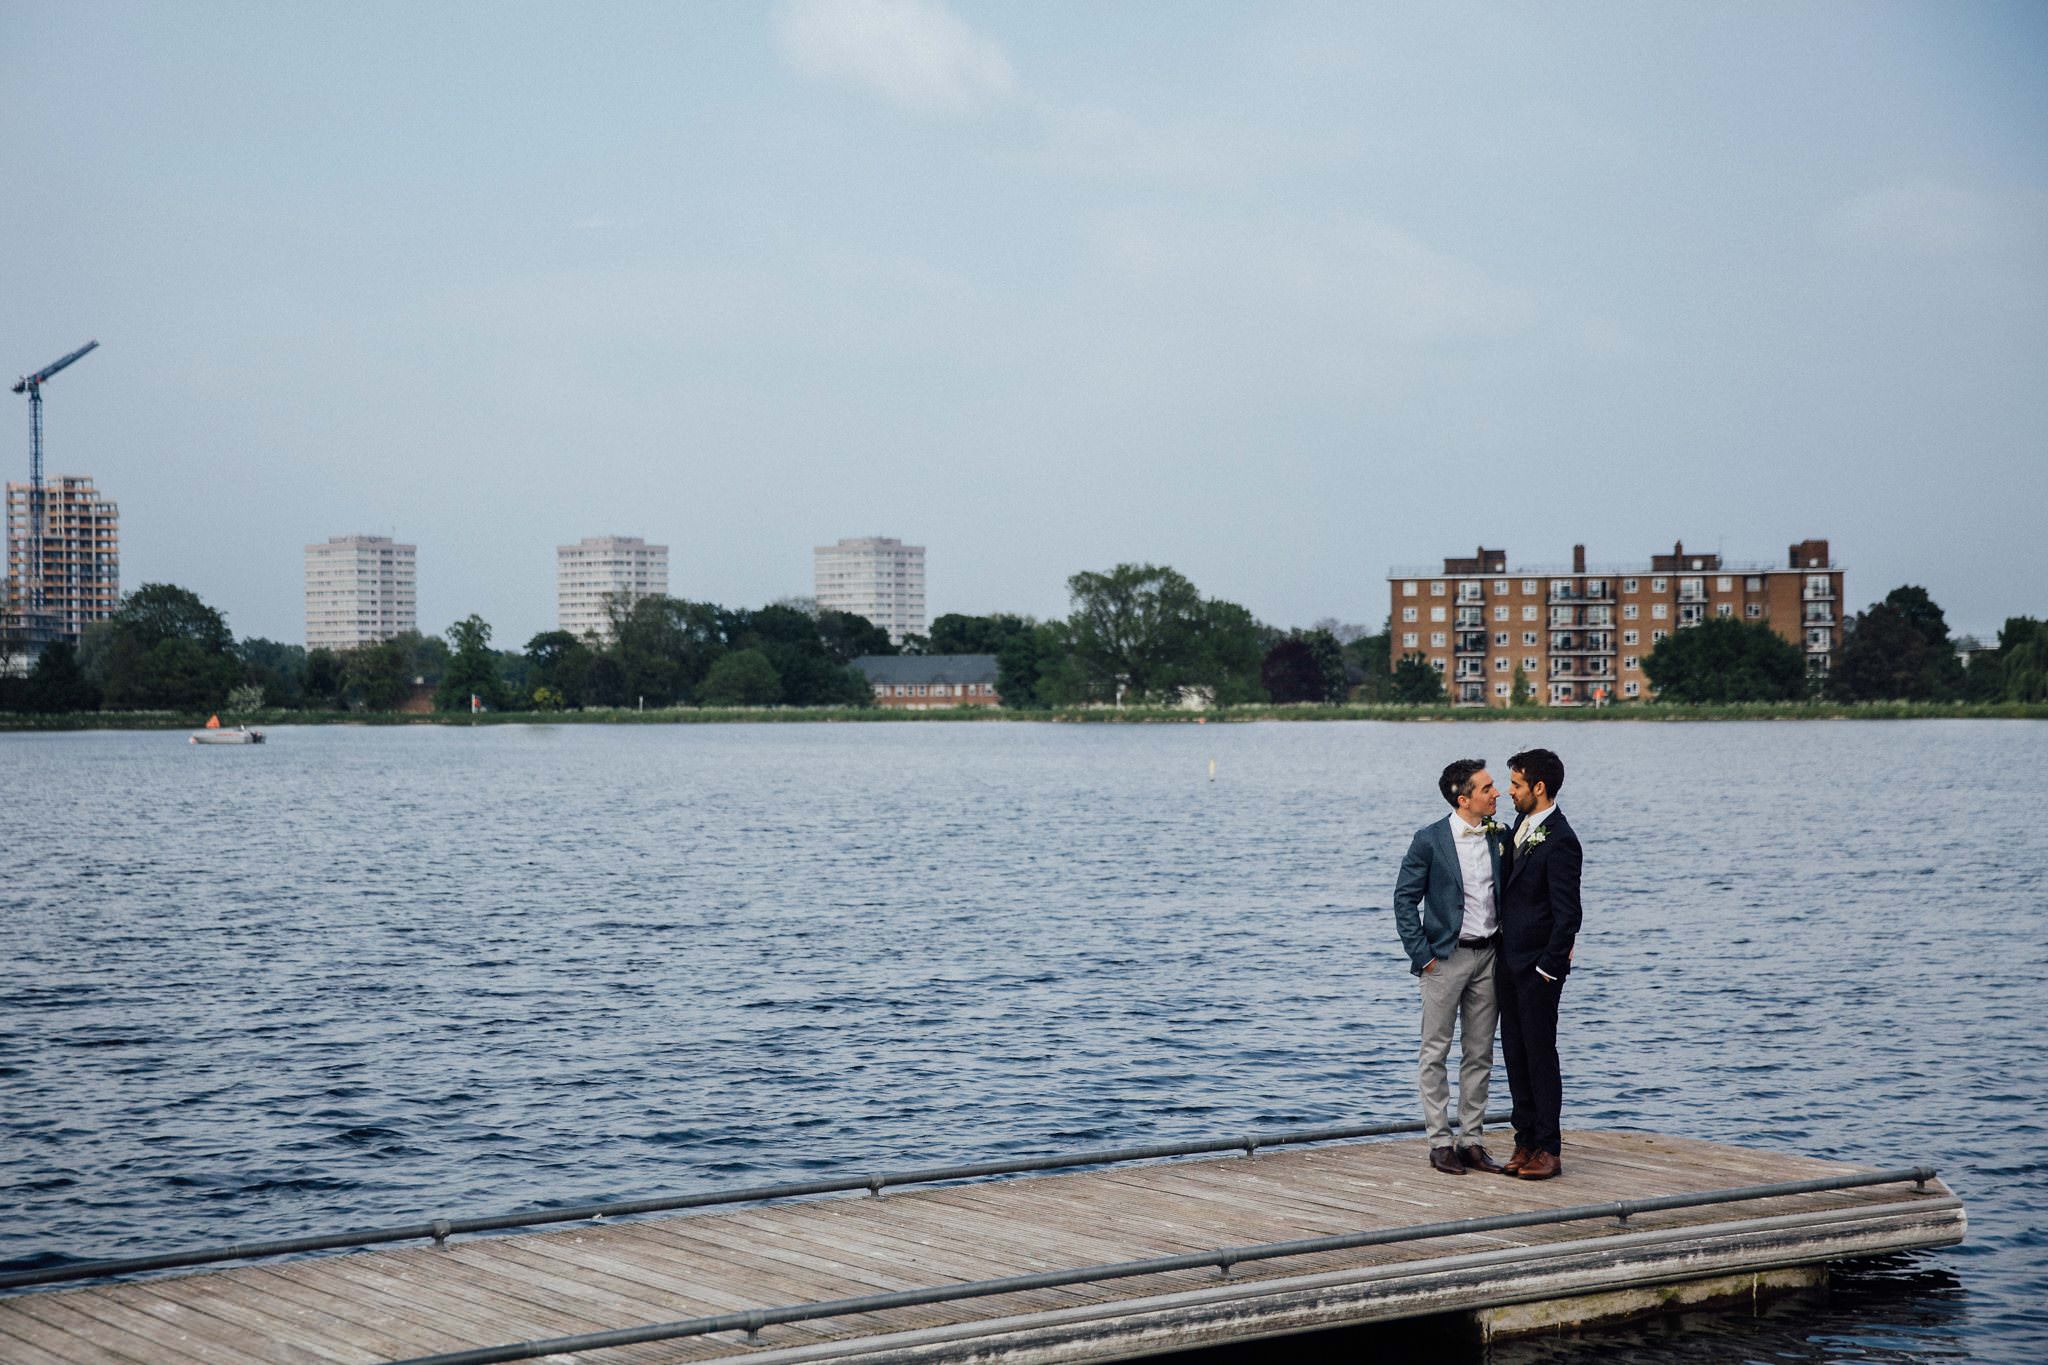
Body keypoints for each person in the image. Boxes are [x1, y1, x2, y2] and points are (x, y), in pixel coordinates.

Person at [1392, 758, 1507, 1176]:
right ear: (1464, 799)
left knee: (1480, 1052)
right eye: (1488, 788)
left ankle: (1472, 1140)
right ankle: (1440, 1142)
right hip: (1442, 958)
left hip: (1490, 956)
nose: (1498, 794)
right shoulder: (1429, 840)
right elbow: (1404, 899)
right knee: (1434, 1052)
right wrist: (1421, 955)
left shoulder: (1501, 835)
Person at [1495, 747, 1583, 1181]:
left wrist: (1549, 968)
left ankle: (1549, 1147)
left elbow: (1569, 915)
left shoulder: (1562, 840)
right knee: (1514, 1053)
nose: (1509, 792)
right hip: (1507, 964)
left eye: (1516, 785)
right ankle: (1524, 1139)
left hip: (1538, 970)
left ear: (1539, 788)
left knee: (1540, 1055)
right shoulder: (1520, 826)